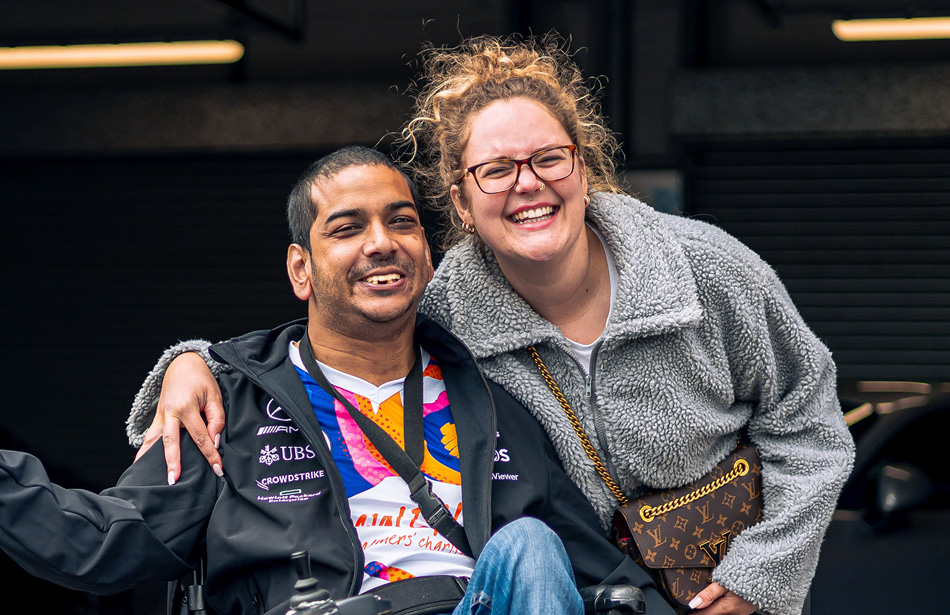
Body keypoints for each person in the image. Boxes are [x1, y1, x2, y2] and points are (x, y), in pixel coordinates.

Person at [130, 35, 855, 615]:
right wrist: (190, 362)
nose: (528, 184)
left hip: (734, 587)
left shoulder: (705, 269)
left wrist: (762, 575)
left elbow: (812, 423)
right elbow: (331, 339)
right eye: (497, 170)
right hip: (570, 591)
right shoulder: (445, 315)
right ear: (461, 199)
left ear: (583, 164)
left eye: (548, 158)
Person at [0, 146, 669, 615]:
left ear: (427, 257)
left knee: (530, 546)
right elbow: (104, 540)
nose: (381, 242)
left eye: (400, 221)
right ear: (301, 269)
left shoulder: (493, 404)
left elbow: (607, 576)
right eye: (347, 229)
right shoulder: (231, 402)